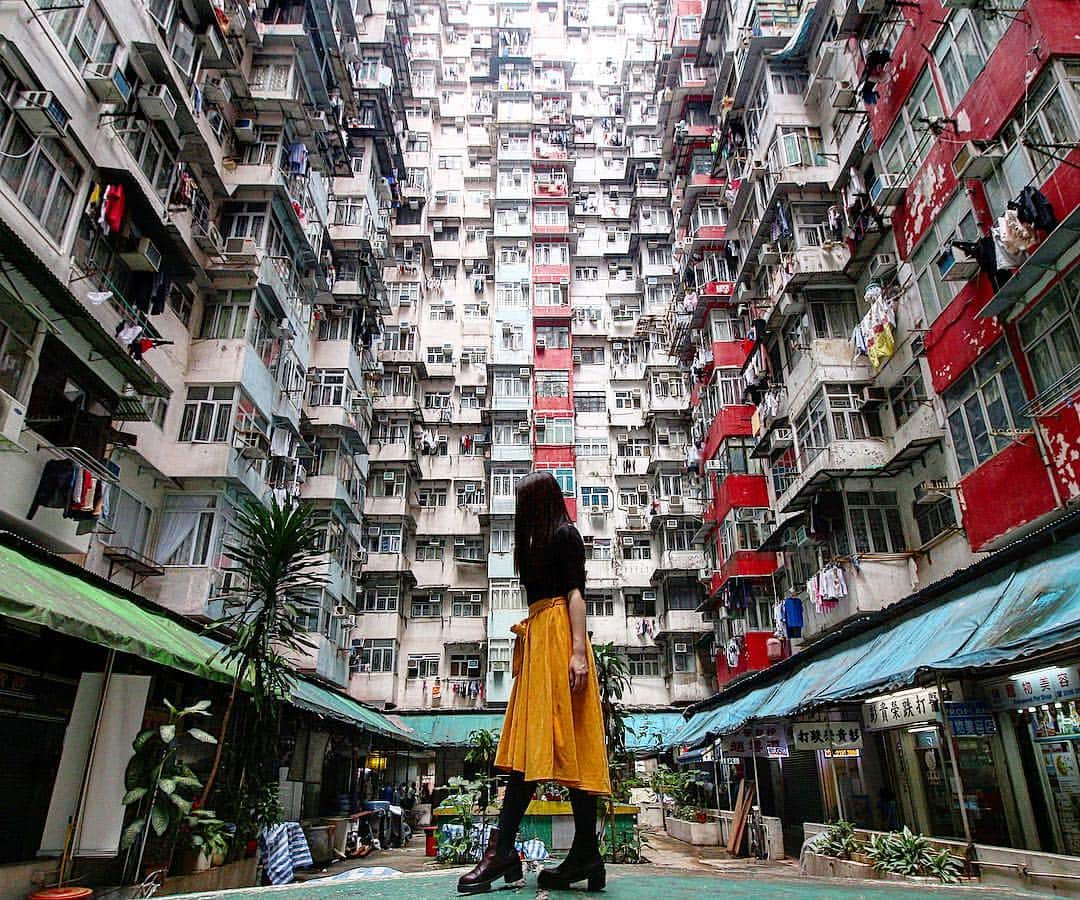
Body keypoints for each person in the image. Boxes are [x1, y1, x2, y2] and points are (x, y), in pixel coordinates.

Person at [458, 472, 610, 894]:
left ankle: (523, 850)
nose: (519, 510)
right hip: (541, 639)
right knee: (530, 743)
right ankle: (571, 854)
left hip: (561, 639)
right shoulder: (535, 544)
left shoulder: (564, 536)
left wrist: (578, 652)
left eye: (525, 501)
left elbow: (576, 595)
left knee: (570, 743)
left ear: (539, 503)